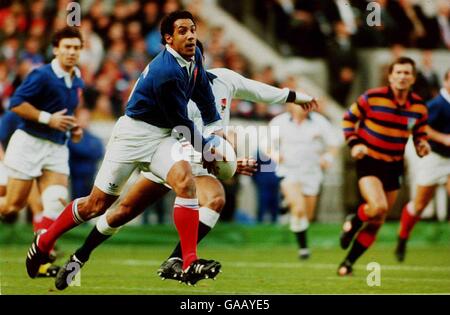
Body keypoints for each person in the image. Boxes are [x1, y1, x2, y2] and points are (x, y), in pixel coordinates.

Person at [52, 64, 318, 290]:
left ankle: (177, 260)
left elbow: (259, 91)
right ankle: (80, 256)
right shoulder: (176, 91)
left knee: (215, 199)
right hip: (173, 156)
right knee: (121, 211)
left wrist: (295, 96)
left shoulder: (224, 79)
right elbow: (180, 133)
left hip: (201, 163)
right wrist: (229, 161)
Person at [25, 11, 224, 284]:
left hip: (162, 137)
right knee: (96, 206)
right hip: (133, 136)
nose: (190, 35)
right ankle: (46, 240)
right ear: (168, 38)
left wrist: (215, 129)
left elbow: (204, 95)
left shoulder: (195, 57)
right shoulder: (166, 72)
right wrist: (206, 149)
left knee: (185, 182)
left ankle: (188, 261)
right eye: (182, 31)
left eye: (192, 29)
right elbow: (181, 121)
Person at [0, 27, 84, 276]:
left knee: (56, 201)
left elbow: (65, 114)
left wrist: (73, 129)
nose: (71, 52)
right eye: (67, 47)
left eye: (76, 47)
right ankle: (43, 255)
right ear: (56, 49)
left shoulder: (77, 77)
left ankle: (40, 255)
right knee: (12, 207)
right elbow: (15, 104)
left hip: (57, 147)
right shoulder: (42, 75)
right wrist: (48, 119)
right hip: (29, 144)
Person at [338, 56, 430, 276]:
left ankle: (347, 263)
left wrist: (422, 146)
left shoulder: (418, 106)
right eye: (398, 72)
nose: (402, 76)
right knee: (377, 207)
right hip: (369, 161)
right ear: (390, 76)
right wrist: (355, 143)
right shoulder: (372, 97)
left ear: (413, 78)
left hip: (395, 166)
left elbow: (420, 135)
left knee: (377, 221)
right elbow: (348, 119)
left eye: (407, 73)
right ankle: (354, 219)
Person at [269, 101, 339, 259]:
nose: (303, 106)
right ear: (291, 105)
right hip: (289, 170)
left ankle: (287, 203)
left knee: (307, 215)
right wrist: (275, 155)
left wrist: (327, 157)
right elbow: (267, 146)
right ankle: (303, 249)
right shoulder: (278, 122)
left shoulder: (320, 122)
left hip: (312, 172)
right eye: (300, 103)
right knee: (299, 208)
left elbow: (333, 144)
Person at [395, 69, 450, 262]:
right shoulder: (436, 105)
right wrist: (443, 138)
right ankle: (402, 237)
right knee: (419, 205)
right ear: (446, 81)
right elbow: (420, 126)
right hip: (434, 158)